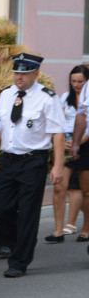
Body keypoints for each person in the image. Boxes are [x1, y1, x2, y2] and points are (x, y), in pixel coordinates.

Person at [0, 53, 64, 278]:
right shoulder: (6, 95)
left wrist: (57, 165)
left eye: (24, 73)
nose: (19, 77)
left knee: (28, 212)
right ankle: (20, 240)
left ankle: (19, 261)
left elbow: (57, 133)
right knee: (1, 209)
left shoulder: (47, 98)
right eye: (16, 72)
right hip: (8, 160)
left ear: (36, 74)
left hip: (33, 161)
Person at [48, 65, 89, 242]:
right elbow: (60, 120)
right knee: (59, 186)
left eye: (80, 81)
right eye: (73, 81)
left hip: (86, 142)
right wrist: (64, 141)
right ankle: (58, 230)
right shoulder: (66, 98)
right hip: (67, 142)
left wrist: (78, 142)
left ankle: (86, 229)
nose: (76, 85)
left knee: (86, 191)